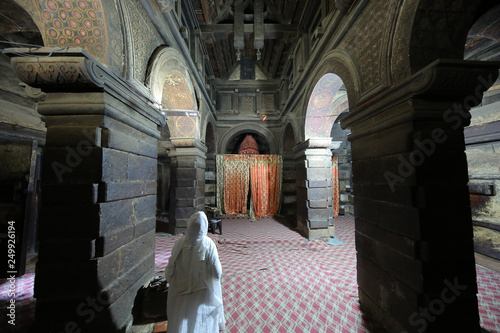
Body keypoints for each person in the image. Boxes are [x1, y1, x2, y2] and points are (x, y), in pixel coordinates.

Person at [164, 211, 225, 332]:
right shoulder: (208, 244)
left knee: (181, 319)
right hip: (201, 291)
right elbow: (217, 273)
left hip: (179, 290)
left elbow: (169, 270)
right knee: (200, 317)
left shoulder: (178, 243)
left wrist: (172, 281)